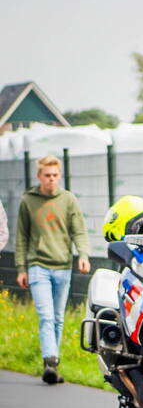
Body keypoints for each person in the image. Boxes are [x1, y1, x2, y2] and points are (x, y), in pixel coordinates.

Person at [15, 155, 90, 384]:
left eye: (55, 175)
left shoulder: (68, 200)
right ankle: (50, 361)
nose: (51, 179)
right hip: (38, 266)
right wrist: (21, 268)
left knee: (57, 319)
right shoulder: (28, 200)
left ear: (60, 176)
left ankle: (53, 365)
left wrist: (83, 255)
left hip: (63, 266)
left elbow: (79, 230)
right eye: (47, 175)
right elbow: (22, 236)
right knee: (46, 316)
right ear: (39, 176)